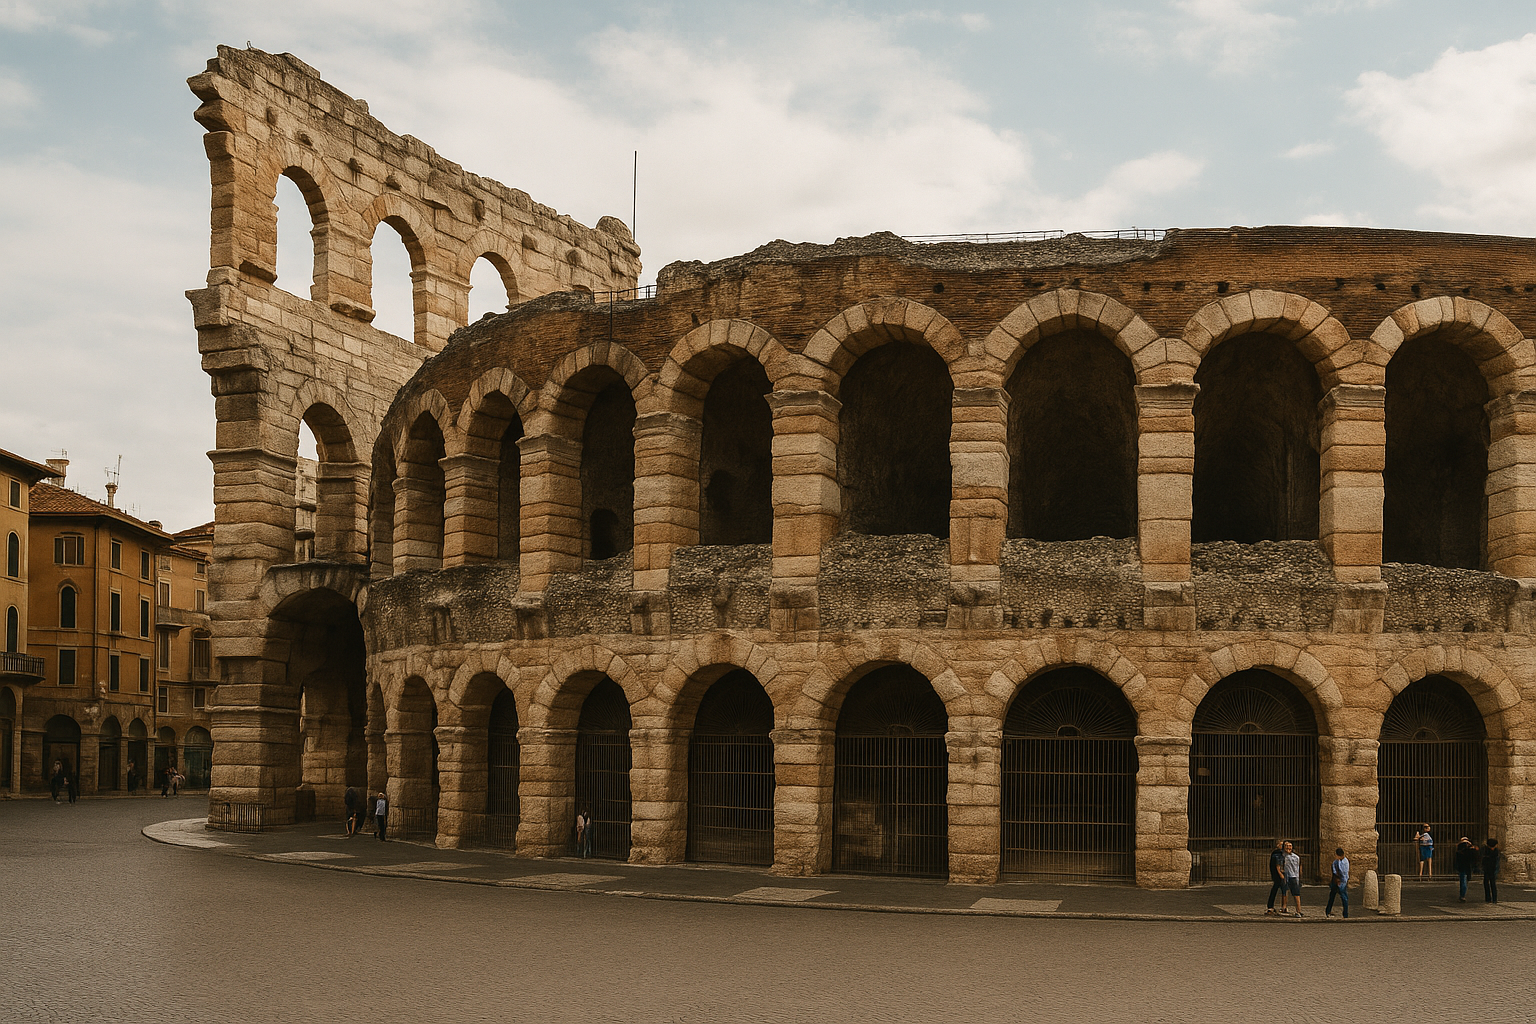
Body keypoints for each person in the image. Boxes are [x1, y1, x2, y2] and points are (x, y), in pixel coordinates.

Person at [1280, 841, 1303, 917]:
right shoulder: (1282, 856)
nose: (1288, 847)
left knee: (1296, 894)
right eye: (1286, 846)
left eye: (1290, 846)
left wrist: (1299, 877)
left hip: (1293, 877)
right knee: (1284, 891)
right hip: (1286, 876)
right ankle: (1284, 907)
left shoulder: (1296, 857)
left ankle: (1298, 910)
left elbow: (1299, 867)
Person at [1325, 847, 1350, 919]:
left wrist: (1340, 880)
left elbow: (1343, 872)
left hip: (1342, 881)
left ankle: (1345, 914)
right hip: (1336, 881)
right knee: (1332, 896)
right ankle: (1328, 911)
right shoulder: (1336, 862)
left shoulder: (1344, 862)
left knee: (1344, 897)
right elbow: (1334, 870)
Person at [1264, 838, 1287, 916]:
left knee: (1284, 890)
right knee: (1277, 889)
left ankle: (1284, 906)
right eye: (1281, 844)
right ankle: (1271, 906)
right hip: (1278, 875)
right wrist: (1280, 873)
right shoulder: (1276, 854)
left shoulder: (1284, 853)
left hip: (1282, 874)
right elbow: (1277, 865)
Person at [1454, 837, 1479, 902]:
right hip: (1466, 867)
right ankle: (1462, 895)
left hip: (1464, 867)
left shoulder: (1464, 850)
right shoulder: (1466, 849)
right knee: (1464, 881)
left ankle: (1462, 895)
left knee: (1463, 881)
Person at [1482, 837, 1501, 904]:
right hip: (1491, 869)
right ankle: (1493, 899)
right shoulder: (1495, 851)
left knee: (1488, 884)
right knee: (1491, 884)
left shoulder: (1486, 851)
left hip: (1489, 869)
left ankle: (1489, 898)